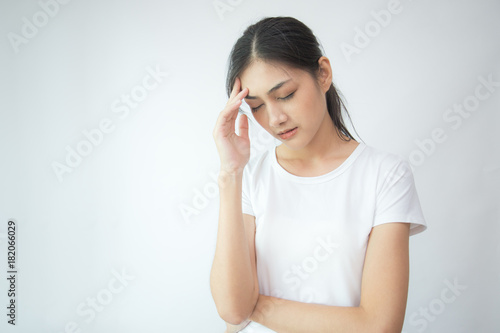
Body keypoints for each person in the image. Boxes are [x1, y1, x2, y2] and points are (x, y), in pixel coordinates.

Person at [210, 16, 427, 333]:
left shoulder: (385, 175)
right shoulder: (250, 176)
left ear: (322, 74)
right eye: (256, 106)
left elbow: (379, 326)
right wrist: (230, 173)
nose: (275, 118)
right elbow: (231, 309)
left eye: (285, 94)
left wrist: (256, 305)